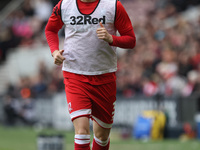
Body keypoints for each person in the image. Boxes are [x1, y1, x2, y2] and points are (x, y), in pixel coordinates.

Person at [45, 0, 136, 149]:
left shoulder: (113, 6)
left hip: (104, 76)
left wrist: (111, 38)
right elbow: (50, 30)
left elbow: (131, 40)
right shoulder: (64, 5)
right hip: (74, 74)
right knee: (82, 132)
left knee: (102, 136)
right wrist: (54, 51)